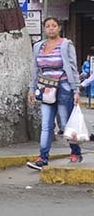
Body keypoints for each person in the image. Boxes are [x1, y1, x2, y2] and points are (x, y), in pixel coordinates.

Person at [27, 17, 83, 170]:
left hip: (64, 86)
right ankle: (42, 158)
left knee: (65, 124)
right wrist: (32, 89)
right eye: (47, 26)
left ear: (59, 28)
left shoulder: (66, 44)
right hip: (45, 87)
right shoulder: (38, 46)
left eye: (54, 26)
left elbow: (72, 67)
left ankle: (76, 152)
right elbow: (35, 70)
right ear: (44, 29)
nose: (51, 28)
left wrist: (76, 90)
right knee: (46, 125)